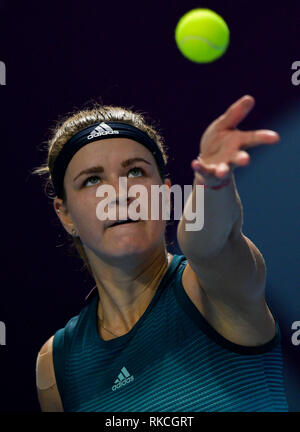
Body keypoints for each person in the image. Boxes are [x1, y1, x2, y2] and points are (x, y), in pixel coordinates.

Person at [34, 95, 288, 412]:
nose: (120, 192)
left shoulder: (214, 290)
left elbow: (207, 243)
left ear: (165, 193)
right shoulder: (56, 365)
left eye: (136, 172)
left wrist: (212, 181)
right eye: (93, 180)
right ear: (65, 214)